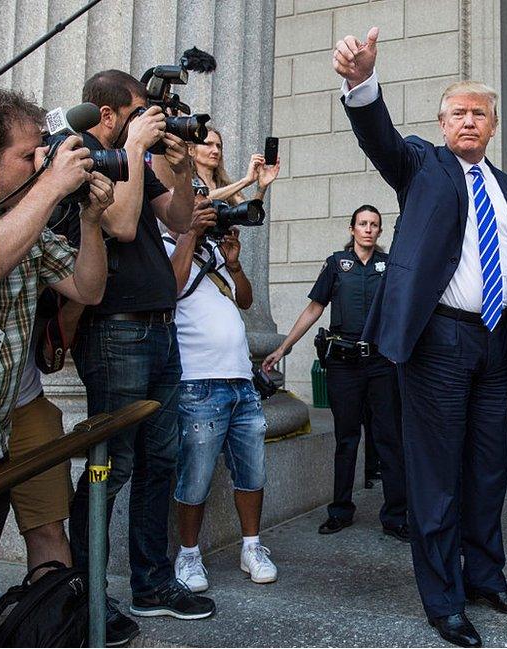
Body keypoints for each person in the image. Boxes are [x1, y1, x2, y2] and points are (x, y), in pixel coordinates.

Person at [334, 27, 507, 648]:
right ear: (443, 122)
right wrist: (360, 81)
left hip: (495, 341)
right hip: (438, 342)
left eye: (479, 113)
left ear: (494, 124)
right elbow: (380, 139)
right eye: (457, 112)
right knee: (437, 476)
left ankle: (485, 577)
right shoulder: (422, 164)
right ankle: (443, 599)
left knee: (488, 470)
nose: (468, 121)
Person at [64, 69, 213, 644]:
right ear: (108, 115)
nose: (151, 119)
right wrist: (131, 148)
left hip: (159, 329)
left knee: (161, 462)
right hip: (114, 333)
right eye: (139, 112)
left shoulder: (137, 161)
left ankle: (152, 585)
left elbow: (176, 221)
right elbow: (122, 227)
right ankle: (85, 591)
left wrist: (175, 163)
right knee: (113, 465)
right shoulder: (85, 161)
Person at [0, 88, 111, 564]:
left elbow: (88, 289)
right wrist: (51, 185)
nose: (42, 162)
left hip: (12, 414)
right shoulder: (33, 207)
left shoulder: (32, 225)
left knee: (46, 534)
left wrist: (91, 221)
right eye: (28, 155)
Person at [165, 154, 280, 594]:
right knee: (194, 476)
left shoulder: (213, 251)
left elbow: (245, 301)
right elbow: (169, 291)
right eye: (195, 201)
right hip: (198, 383)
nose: (203, 208)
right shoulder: (166, 245)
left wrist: (232, 262)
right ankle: (189, 555)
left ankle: (252, 546)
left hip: (241, 382)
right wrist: (190, 236)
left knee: (252, 473)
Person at [263, 205, 407, 541]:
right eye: (362, 224)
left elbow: (402, 311)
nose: (368, 229)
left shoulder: (389, 267)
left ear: (379, 232)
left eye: (374, 225)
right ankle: (341, 511)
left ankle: (396, 517)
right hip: (344, 365)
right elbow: (315, 307)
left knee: (389, 439)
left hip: (381, 363)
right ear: (352, 228)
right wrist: (284, 347)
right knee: (346, 439)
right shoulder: (336, 265)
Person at [190, 126, 279, 205]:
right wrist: (245, 181)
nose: (216, 151)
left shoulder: (225, 185)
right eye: (208, 144)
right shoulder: (184, 181)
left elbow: (249, 216)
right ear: (191, 150)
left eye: (219, 146)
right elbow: (201, 201)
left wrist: (262, 187)